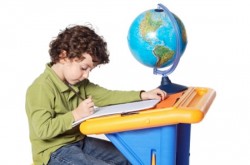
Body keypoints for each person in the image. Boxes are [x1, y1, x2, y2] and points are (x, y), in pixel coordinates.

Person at [25, 24, 167, 165]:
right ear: (63, 56)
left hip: (79, 142)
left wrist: (142, 95)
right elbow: (42, 130)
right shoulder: (41, 88)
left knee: (131, 157)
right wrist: (76, 114)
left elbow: (107, 96)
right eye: (83, 68)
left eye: (89, 70)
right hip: (52, 152)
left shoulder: (78, 83)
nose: (86, 75)